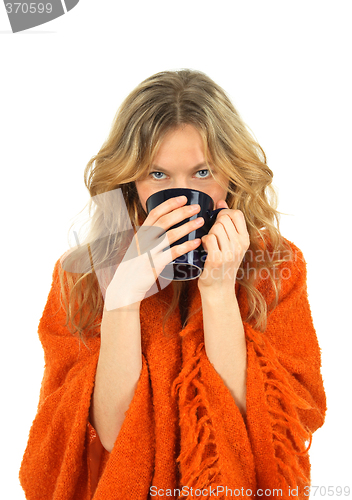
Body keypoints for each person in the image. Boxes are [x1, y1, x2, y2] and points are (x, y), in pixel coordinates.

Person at [19, 69, 326, 500]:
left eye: (202, 172)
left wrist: (218, 292)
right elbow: (106, 439)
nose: (182, 195)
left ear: (232, 174)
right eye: (158, 176)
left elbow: (262, 431)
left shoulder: (277, 265)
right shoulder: (81, 274)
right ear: (130, 183)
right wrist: (122, 301)